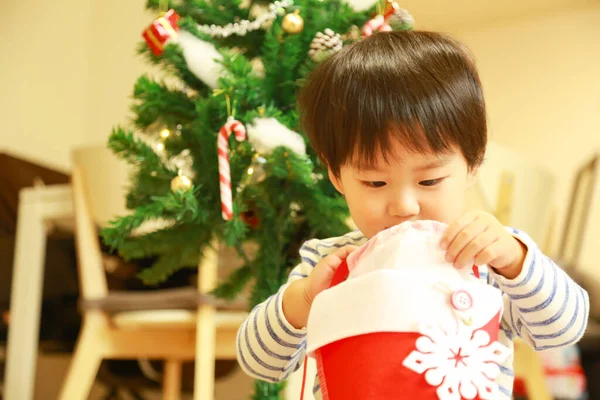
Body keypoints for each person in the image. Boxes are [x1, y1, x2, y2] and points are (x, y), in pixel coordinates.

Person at [236, 30, 589, 399]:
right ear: (336, 175)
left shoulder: (487, 258)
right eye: (375, 182)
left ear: (472, 163)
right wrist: (304, 300)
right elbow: (260, 362)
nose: (404, 206)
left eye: (430, 180)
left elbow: (563, 328)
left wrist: (516, 259)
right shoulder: (329, 264)